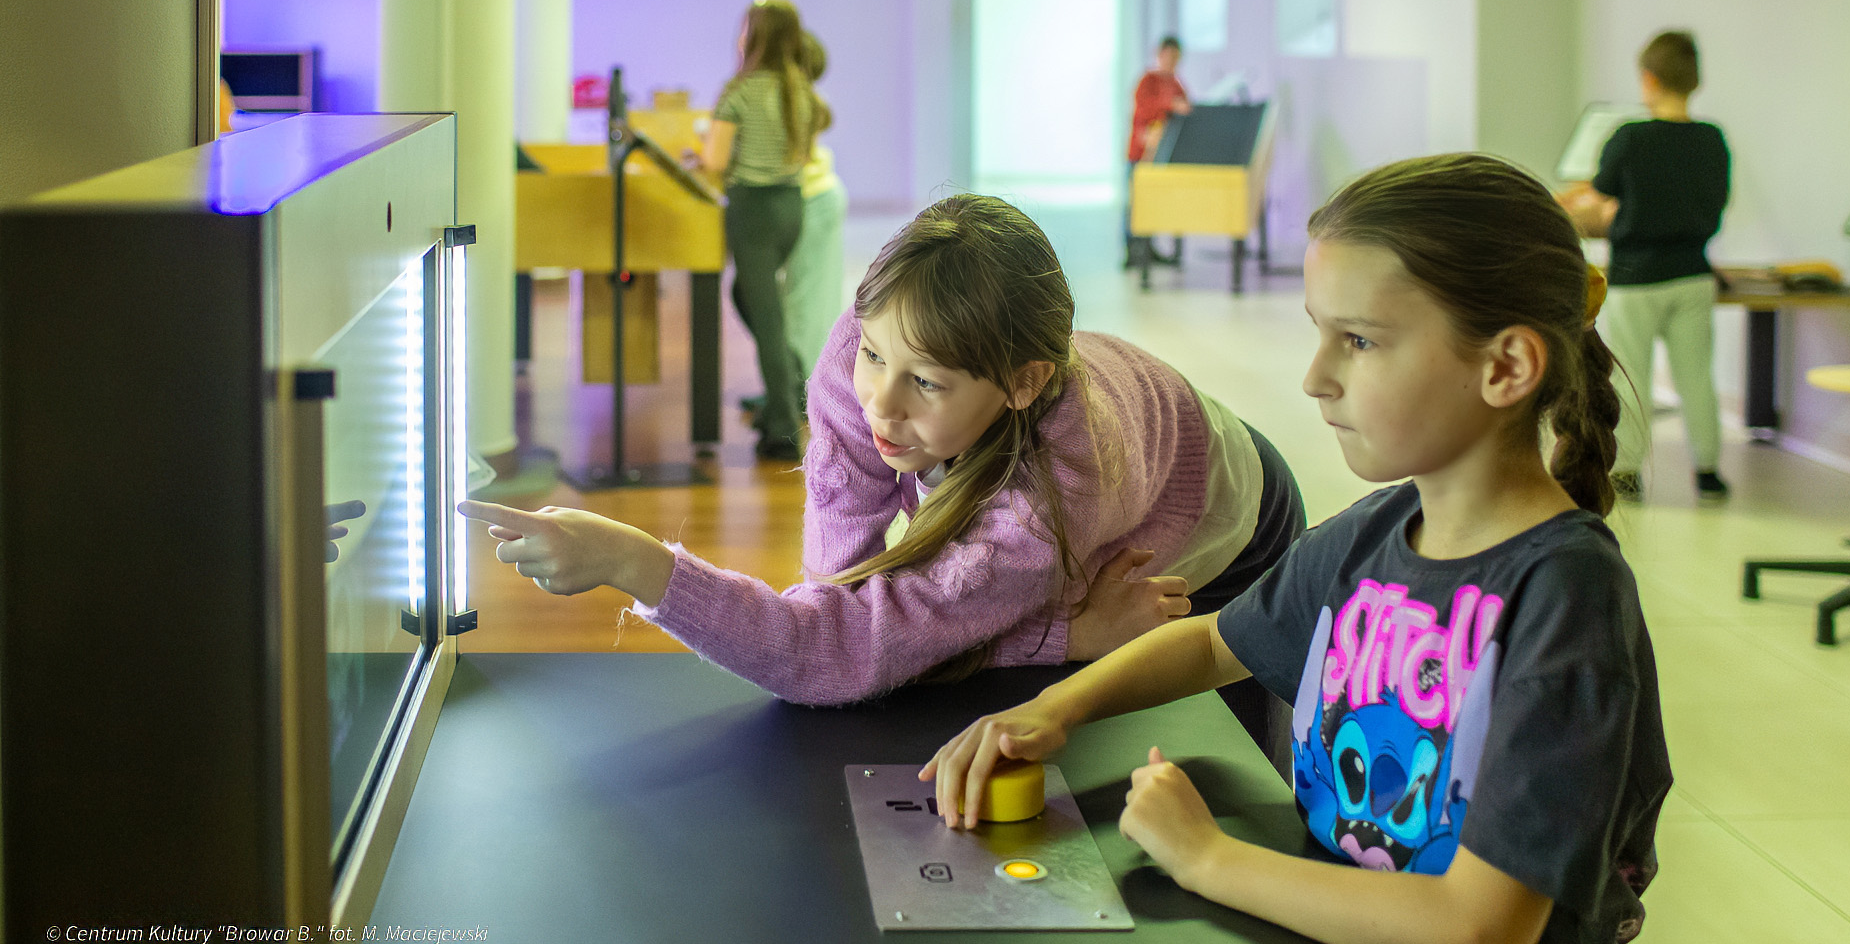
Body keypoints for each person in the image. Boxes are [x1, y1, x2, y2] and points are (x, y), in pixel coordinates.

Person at [926, 155, 1671, 944]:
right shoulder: (1376, 533)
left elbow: (1476, 939)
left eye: (1360, 341)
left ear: (1505, 368)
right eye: (1321, 334)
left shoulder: (1566, 595)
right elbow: (1214, 643)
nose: (1316, 378)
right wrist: (1053, 709)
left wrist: (1208, 858)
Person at [460, 194, 1306, 718]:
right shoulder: (856, 363)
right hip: (1111, 460)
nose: (879, 406)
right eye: (874, 355)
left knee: (1208, 772)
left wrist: (635, 562)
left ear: (1021, 383)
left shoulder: (1052, 495)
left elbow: (843, 650)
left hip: (1231, 533)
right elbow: (839, 610)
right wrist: (1064, 634)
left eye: (927, 382)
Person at [1560, 30, 1731, 503]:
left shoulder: (1630, 138)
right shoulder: (1713, 140)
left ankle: (1628, 472)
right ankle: (1709, 471)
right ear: (1694, 80)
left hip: (1636, 277)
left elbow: (1600, 195)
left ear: (1649, 79)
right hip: (1694, 275)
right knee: (1697, 377)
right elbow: (1714, 202)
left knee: (1630, 375)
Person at [705, 0, 814, 461]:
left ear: (755, 37)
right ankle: (792, 383)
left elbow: (714, 161)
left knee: (766, 317)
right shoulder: (800, 89)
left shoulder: (741, 91)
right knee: (748, 297)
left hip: (753, 211)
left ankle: (784, 427)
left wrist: (703, 157)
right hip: (790, 207)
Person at [742, 30, 848, 426]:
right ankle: (786, 387)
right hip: (808, 200)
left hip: (814, 201)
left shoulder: (795, 98)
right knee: (789, 302)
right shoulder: (790, 96)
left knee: (806, 305)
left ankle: (802, 395)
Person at [1125, 35, 1192, 268]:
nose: (1172, 62)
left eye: (1176, 58)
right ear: (1160, 54)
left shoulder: (1176, 84)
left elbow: (1186, 107)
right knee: (1134, 204)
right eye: (1169, 56)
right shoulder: (1148, 80)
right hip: (1140, 155)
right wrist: (1171, 105)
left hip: (1161, 157)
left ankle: (1148, 249)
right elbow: (1145, 108)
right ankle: (1132, 251)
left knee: (1153, 205)